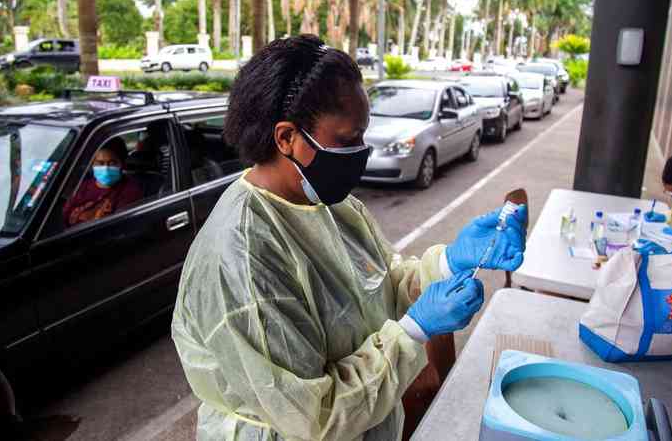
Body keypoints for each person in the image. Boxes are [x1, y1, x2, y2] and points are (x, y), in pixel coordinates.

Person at [171, 35, 527, 440]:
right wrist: (414, 332)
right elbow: (312, 415)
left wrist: (450, 263)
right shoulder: (241, 255)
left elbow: (379, 285)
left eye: (363, 135)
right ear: (286, 138)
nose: (362, 152)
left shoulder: (330, 204)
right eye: (347, 140)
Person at [62, 137, 143, 227]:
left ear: (122, 164)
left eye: (112, 163)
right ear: (92, 164)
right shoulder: (82, 186)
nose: (106, 168)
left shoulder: (130, 191)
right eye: (100, 163)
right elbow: (65, 214)